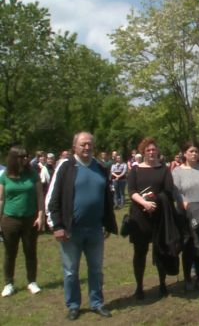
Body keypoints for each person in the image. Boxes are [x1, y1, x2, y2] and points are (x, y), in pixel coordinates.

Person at [46, 132, 117, 320]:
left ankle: (97, 303)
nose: (87, 147)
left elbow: (107, 198)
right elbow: (53, 199)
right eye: (83, 144)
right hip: (71, 230)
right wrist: (57, 226)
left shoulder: (100, 167)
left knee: (96, 269)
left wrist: (107, 223)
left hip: (95, 229)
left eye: (90, 144)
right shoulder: (66, 167)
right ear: (75, 146)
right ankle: (73, 305)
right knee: (70, 271)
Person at [127, 137, 179, 299]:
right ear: (143, 152)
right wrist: (144, 202)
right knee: (140, 252)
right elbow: (132, 191)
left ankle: (162, 284)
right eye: (148, 150)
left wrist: (155, 200)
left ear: (157, 151)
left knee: (160, 250)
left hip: (159, 216)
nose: (151, 152)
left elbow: (168, 191)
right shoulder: (135, 170)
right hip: (139, 216)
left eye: (153, 149)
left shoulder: (164, 169)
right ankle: (139, 287)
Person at [0, 146, 45, 297]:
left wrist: (40, 215)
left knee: (30, 251)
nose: (26, 159)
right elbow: (1, 199)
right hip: (9, 219)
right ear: (14, 158)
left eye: (27, 156)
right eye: (22, 156)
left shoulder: (33, 174)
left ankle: (32, 282)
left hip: (30, 220)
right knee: (9, 253)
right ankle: (8, 283)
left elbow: (40, 196)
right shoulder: (5, 176)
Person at [172, 142, 199, 291]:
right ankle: (188, 278)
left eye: (196, 151)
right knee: (188, 246)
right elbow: (176, 193)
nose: (194, 154)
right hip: (185, 213)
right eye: (191, 151)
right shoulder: (177, 171)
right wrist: (188, 207)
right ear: (184, 153)